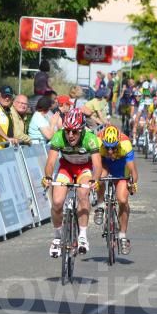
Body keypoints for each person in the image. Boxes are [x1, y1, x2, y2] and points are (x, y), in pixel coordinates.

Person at [41, 110, 102, 256]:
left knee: (83, 194)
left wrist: (95, 179)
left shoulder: (90, 138)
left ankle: (82, 235)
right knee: (57, 202)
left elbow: (97, 165)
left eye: (74, 131)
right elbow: (50, 162)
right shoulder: (59, 137)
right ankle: (57, 237)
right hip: (66, 168)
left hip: (84, 170)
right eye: (67, 131)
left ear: (81, 130)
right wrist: (48, 177)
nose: (70, 135)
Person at [93, 125, 138, 255]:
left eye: (113, 147)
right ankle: (100, 204)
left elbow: (133, 170)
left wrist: (133, 184)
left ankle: (123, 235)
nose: (111, 151)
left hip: (121, 167)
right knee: (100, 178)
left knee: (122, 200)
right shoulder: (98, 141)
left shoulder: (125, 144)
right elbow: (95, 166)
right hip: (105, 164)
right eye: (107, 147)